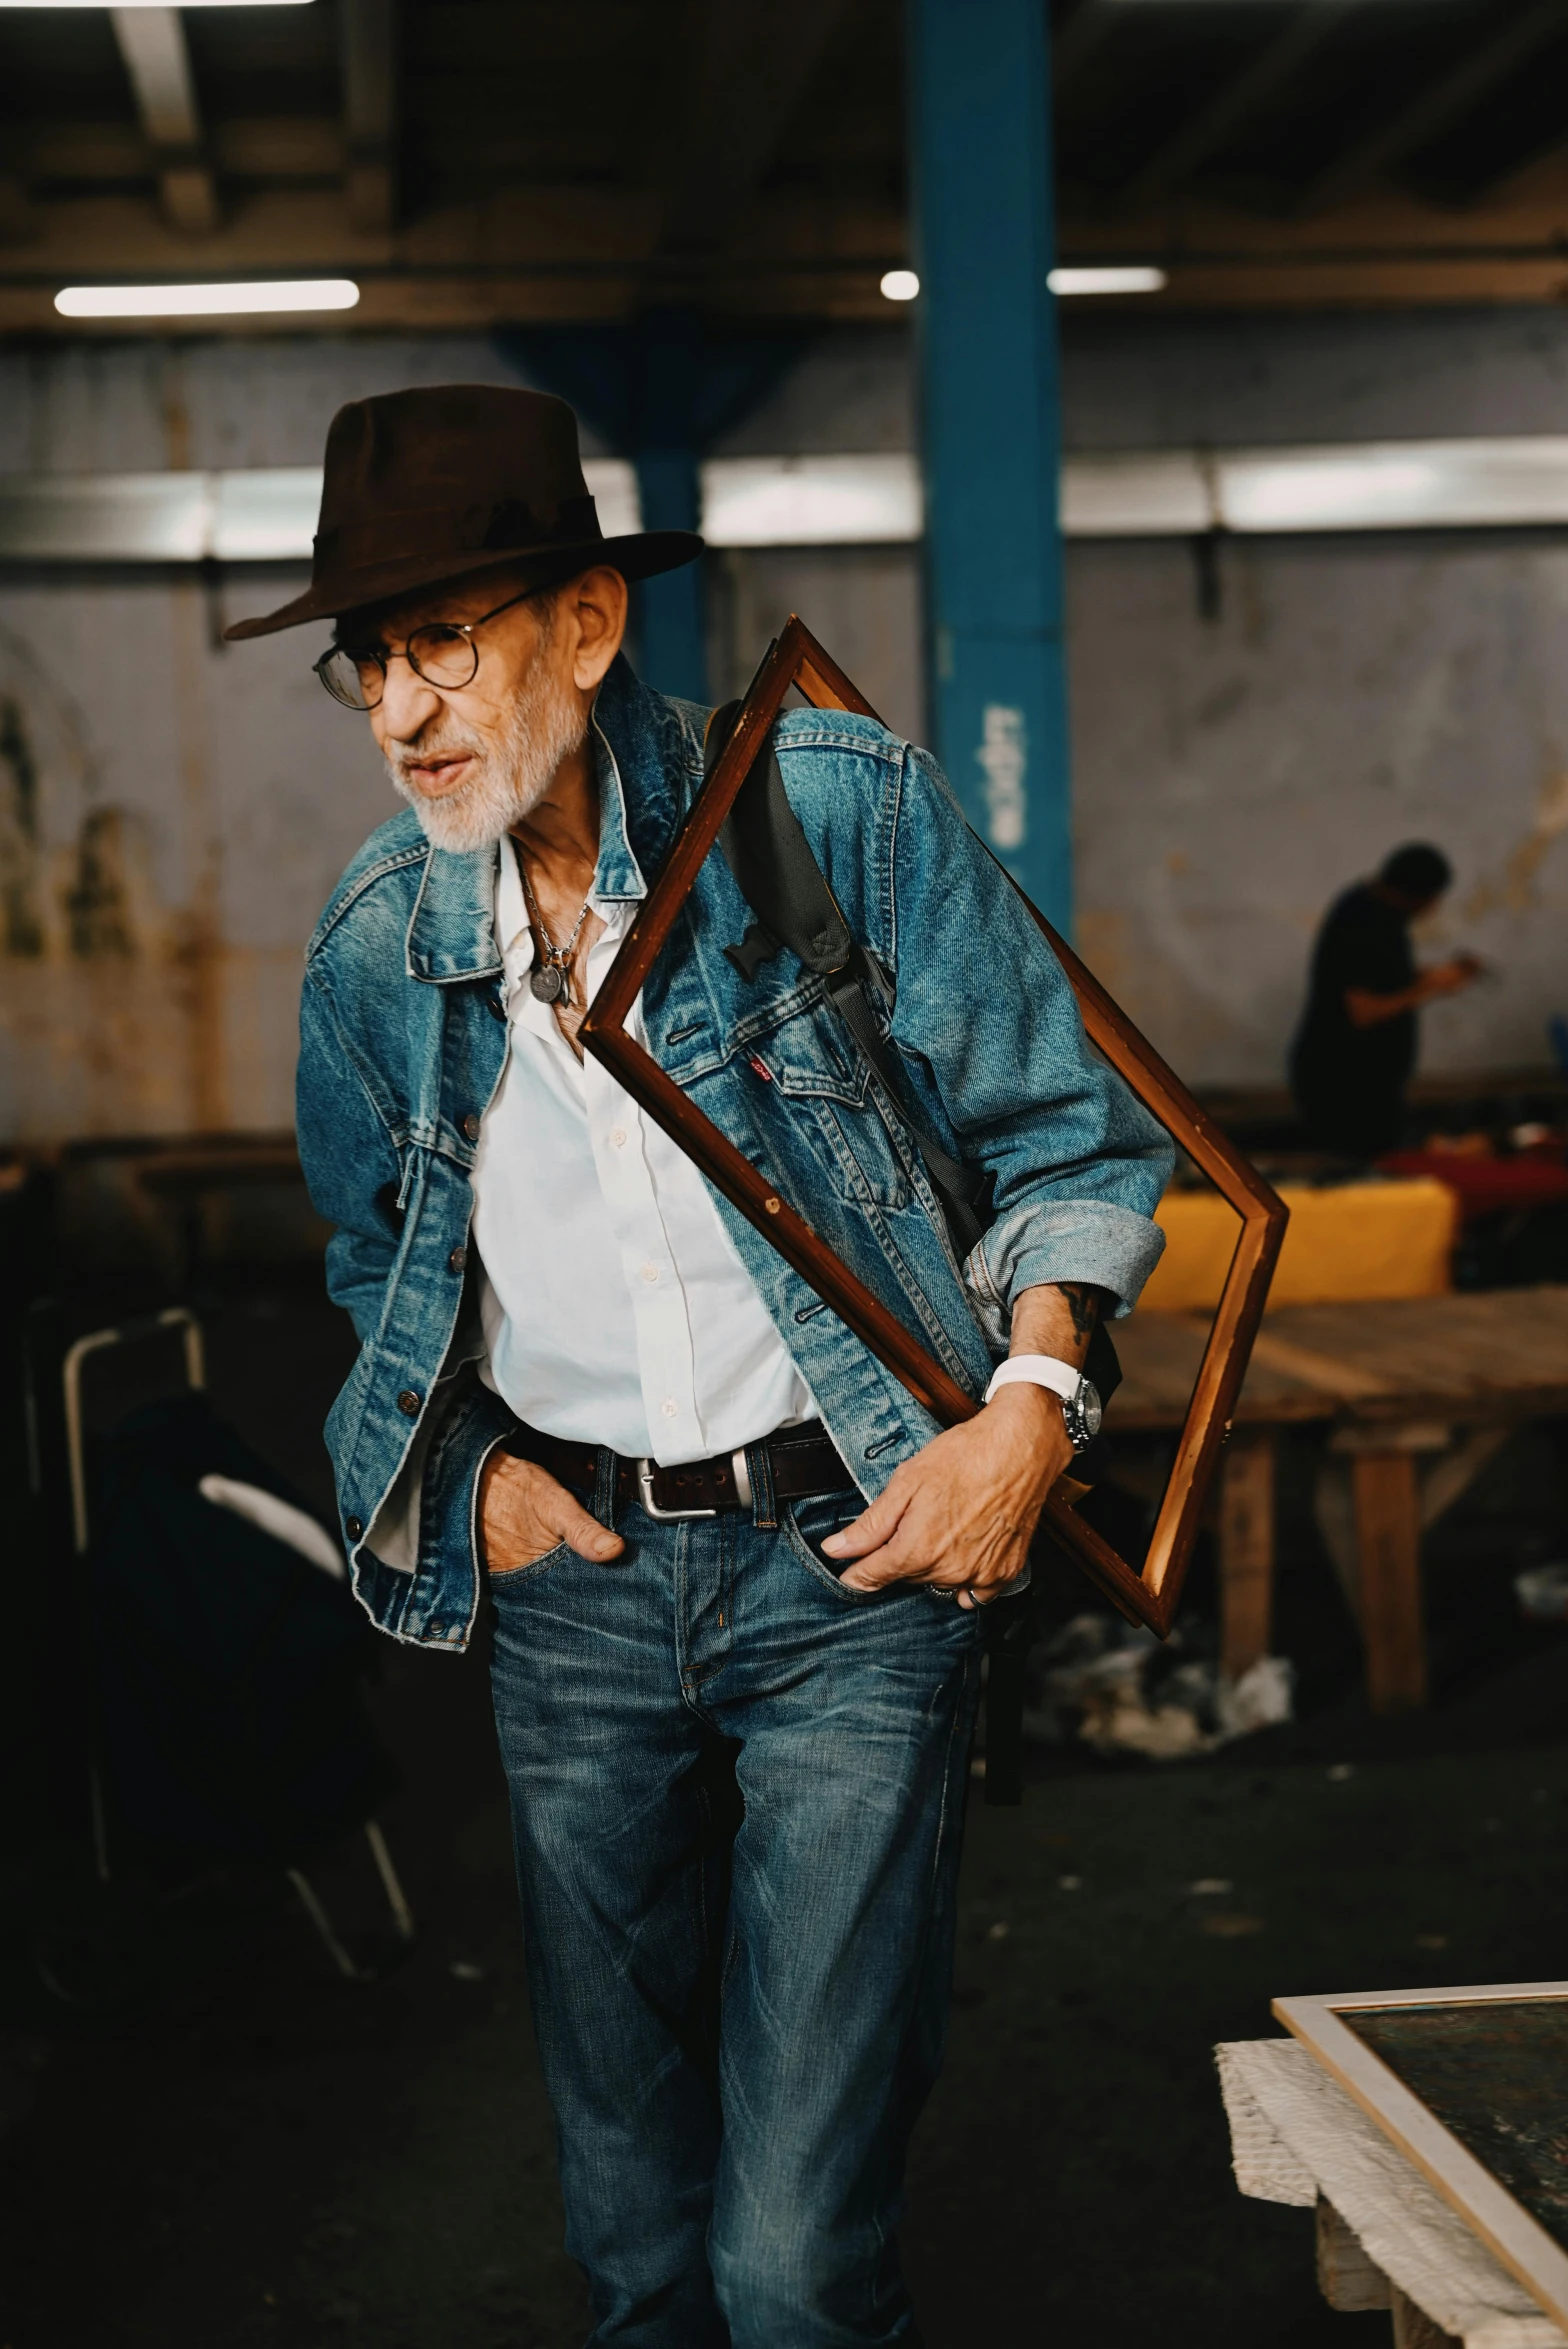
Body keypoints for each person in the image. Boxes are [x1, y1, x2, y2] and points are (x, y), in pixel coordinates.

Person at [227, 384, 1172, 2348]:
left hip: (854, 1565)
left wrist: (1030, 1408)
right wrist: (466, 1465)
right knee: (637, 2249)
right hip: (574, 1593)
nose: (400, 712)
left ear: (584, 621)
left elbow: (1068, 1142)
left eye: (441, 642)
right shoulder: (377, 942)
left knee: (788, 2264)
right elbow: (368, 1251)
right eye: (362, 666)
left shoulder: (824, 810)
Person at [1290, 842, 1481, 1159]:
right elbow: (1363, 1012)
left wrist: (1434, 975)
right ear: (1417, 895)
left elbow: (1380, 974)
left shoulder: (1374, 909)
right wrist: (1430, 988)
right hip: (1345, 1087)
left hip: (1367, 1085)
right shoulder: (1365, 922)